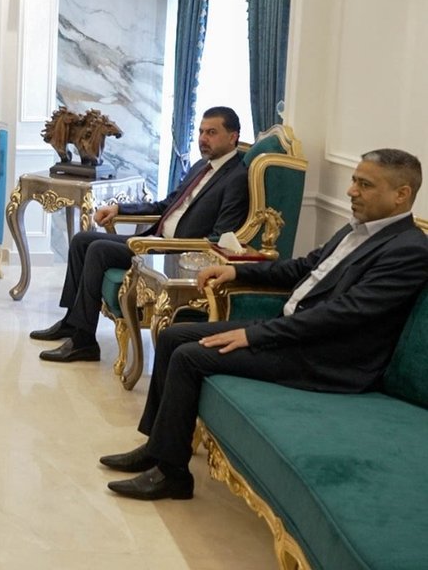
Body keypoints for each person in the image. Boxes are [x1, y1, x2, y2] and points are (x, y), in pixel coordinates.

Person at [100, 148, 428, 500]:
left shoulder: (408, 250)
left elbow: (343, 315)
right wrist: (238, 271)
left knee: (190, 356)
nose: (351, 191)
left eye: (365, 185)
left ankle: (172, 475)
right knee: (173, 337)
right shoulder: (357, 228)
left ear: (401, 194)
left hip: (328, 358)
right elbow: (303, 267)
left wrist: (254, 335)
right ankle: (157, 448)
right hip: (295, 333)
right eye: (354, 181)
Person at [34, 107, 250, 363]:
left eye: (211, 133)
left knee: (98, 249)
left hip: (175, 252)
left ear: (233, 137)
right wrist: (119, 209)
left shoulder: (236, 178)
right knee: (82, 240)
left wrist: (172, 245)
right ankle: (72, 322)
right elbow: (166, 205)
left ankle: (84, 341)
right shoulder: (201, 166)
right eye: (202, 132)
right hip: (157, 241)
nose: (203, 138)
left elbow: (219, 238)